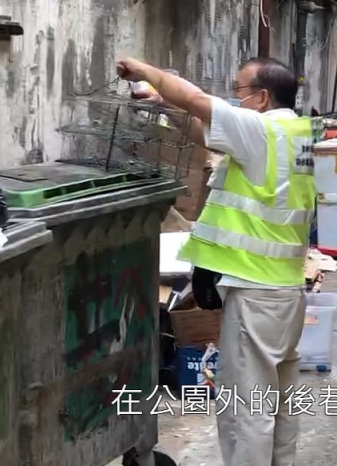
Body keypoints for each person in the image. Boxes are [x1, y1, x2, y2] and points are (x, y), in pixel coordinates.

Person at [117, 56, 315, 466]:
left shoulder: (261, 129)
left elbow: (196, 100)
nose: (234, 99)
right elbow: (207, 131)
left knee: (247, 409)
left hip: (257, 291)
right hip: (283, 290)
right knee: (275, 400)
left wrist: (147, 71)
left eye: (239, 91)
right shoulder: (293, 131)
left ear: (261, 97)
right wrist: (164, 105)